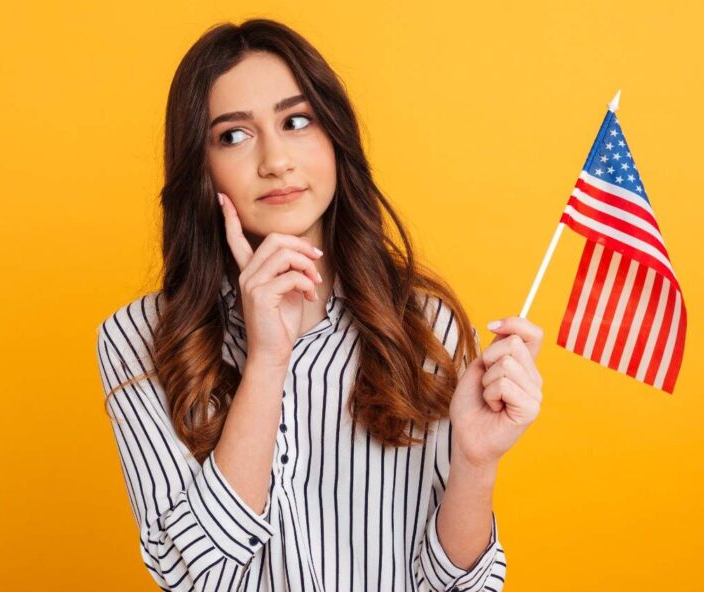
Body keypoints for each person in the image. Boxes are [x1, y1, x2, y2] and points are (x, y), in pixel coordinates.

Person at [96, 18, 544, 592]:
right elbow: (191, 577)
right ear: (200, 168)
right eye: (233, 135)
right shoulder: (139, 339)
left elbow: (457, 586)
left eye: (297, 121)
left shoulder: (424, 325)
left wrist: (477, 464)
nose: (276, 160)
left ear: (335, 137)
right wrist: (266, 359)